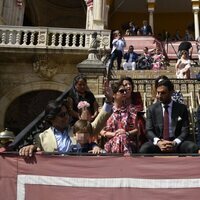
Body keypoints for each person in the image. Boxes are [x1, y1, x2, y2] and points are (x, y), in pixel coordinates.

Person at [19, 80, 113, 157]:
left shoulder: (77, 129)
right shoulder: (41, 137)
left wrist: (108, 101)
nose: (67, 117)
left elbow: (97, 124)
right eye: (62, 115)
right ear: (52, 118)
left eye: (67, 113)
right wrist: (31, 147)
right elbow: (36, 150)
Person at [139, 79, 198, 154]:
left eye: (163, 93)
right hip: (159, 142)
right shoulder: (152, 109)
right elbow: (148, 130)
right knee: (144, 149)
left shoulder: (181, 108)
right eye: (158, 93)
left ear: (171, 92)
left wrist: (174, 143)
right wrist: (159, 142)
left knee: (192, 147)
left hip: (176, 142)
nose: (159, 96)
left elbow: (185, 130)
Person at [100, 81, 139, 154]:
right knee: (119, 138)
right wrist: (114, 134)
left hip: (128, 142)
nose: (124, 93)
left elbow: (136, 129)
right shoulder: (107, 110)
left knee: (122, 137)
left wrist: (126, 133)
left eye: (125, 91)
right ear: (114, 95)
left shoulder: (131, 110)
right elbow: (101, 131)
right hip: (110, 142)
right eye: (121, 91)